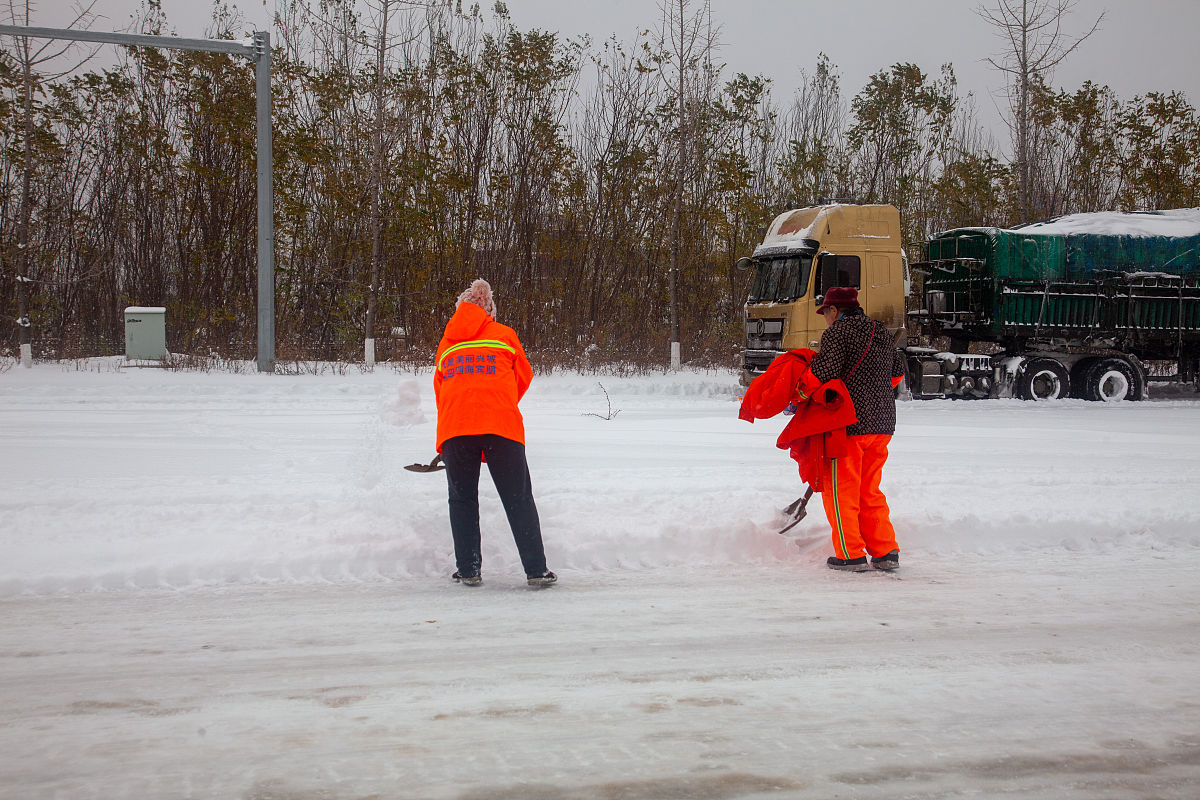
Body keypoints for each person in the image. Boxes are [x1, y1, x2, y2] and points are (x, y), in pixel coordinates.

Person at [433, 279, 556, 588]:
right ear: (490, 311)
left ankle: (469, 570)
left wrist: (458, 421)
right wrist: (496, 402)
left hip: (456, 427)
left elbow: (441, 389)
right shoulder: (504, 335)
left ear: (460, 309)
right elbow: (523, 377)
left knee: (462, 500)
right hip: (501, 426)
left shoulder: (448, 343)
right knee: (518, 499)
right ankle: (537, 571)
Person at [808, 286, 906, 572]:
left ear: (834, 311)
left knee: (841, 492)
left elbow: (823, 374)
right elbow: (897, 373)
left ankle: (850, 554)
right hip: (883, 424)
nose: (824, 319)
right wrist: (874, 395)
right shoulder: (881, 331)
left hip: (849, 425)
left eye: (825, 312)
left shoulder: (837, 333)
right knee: (869, 490)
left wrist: (801, 396)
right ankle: (885, 551)